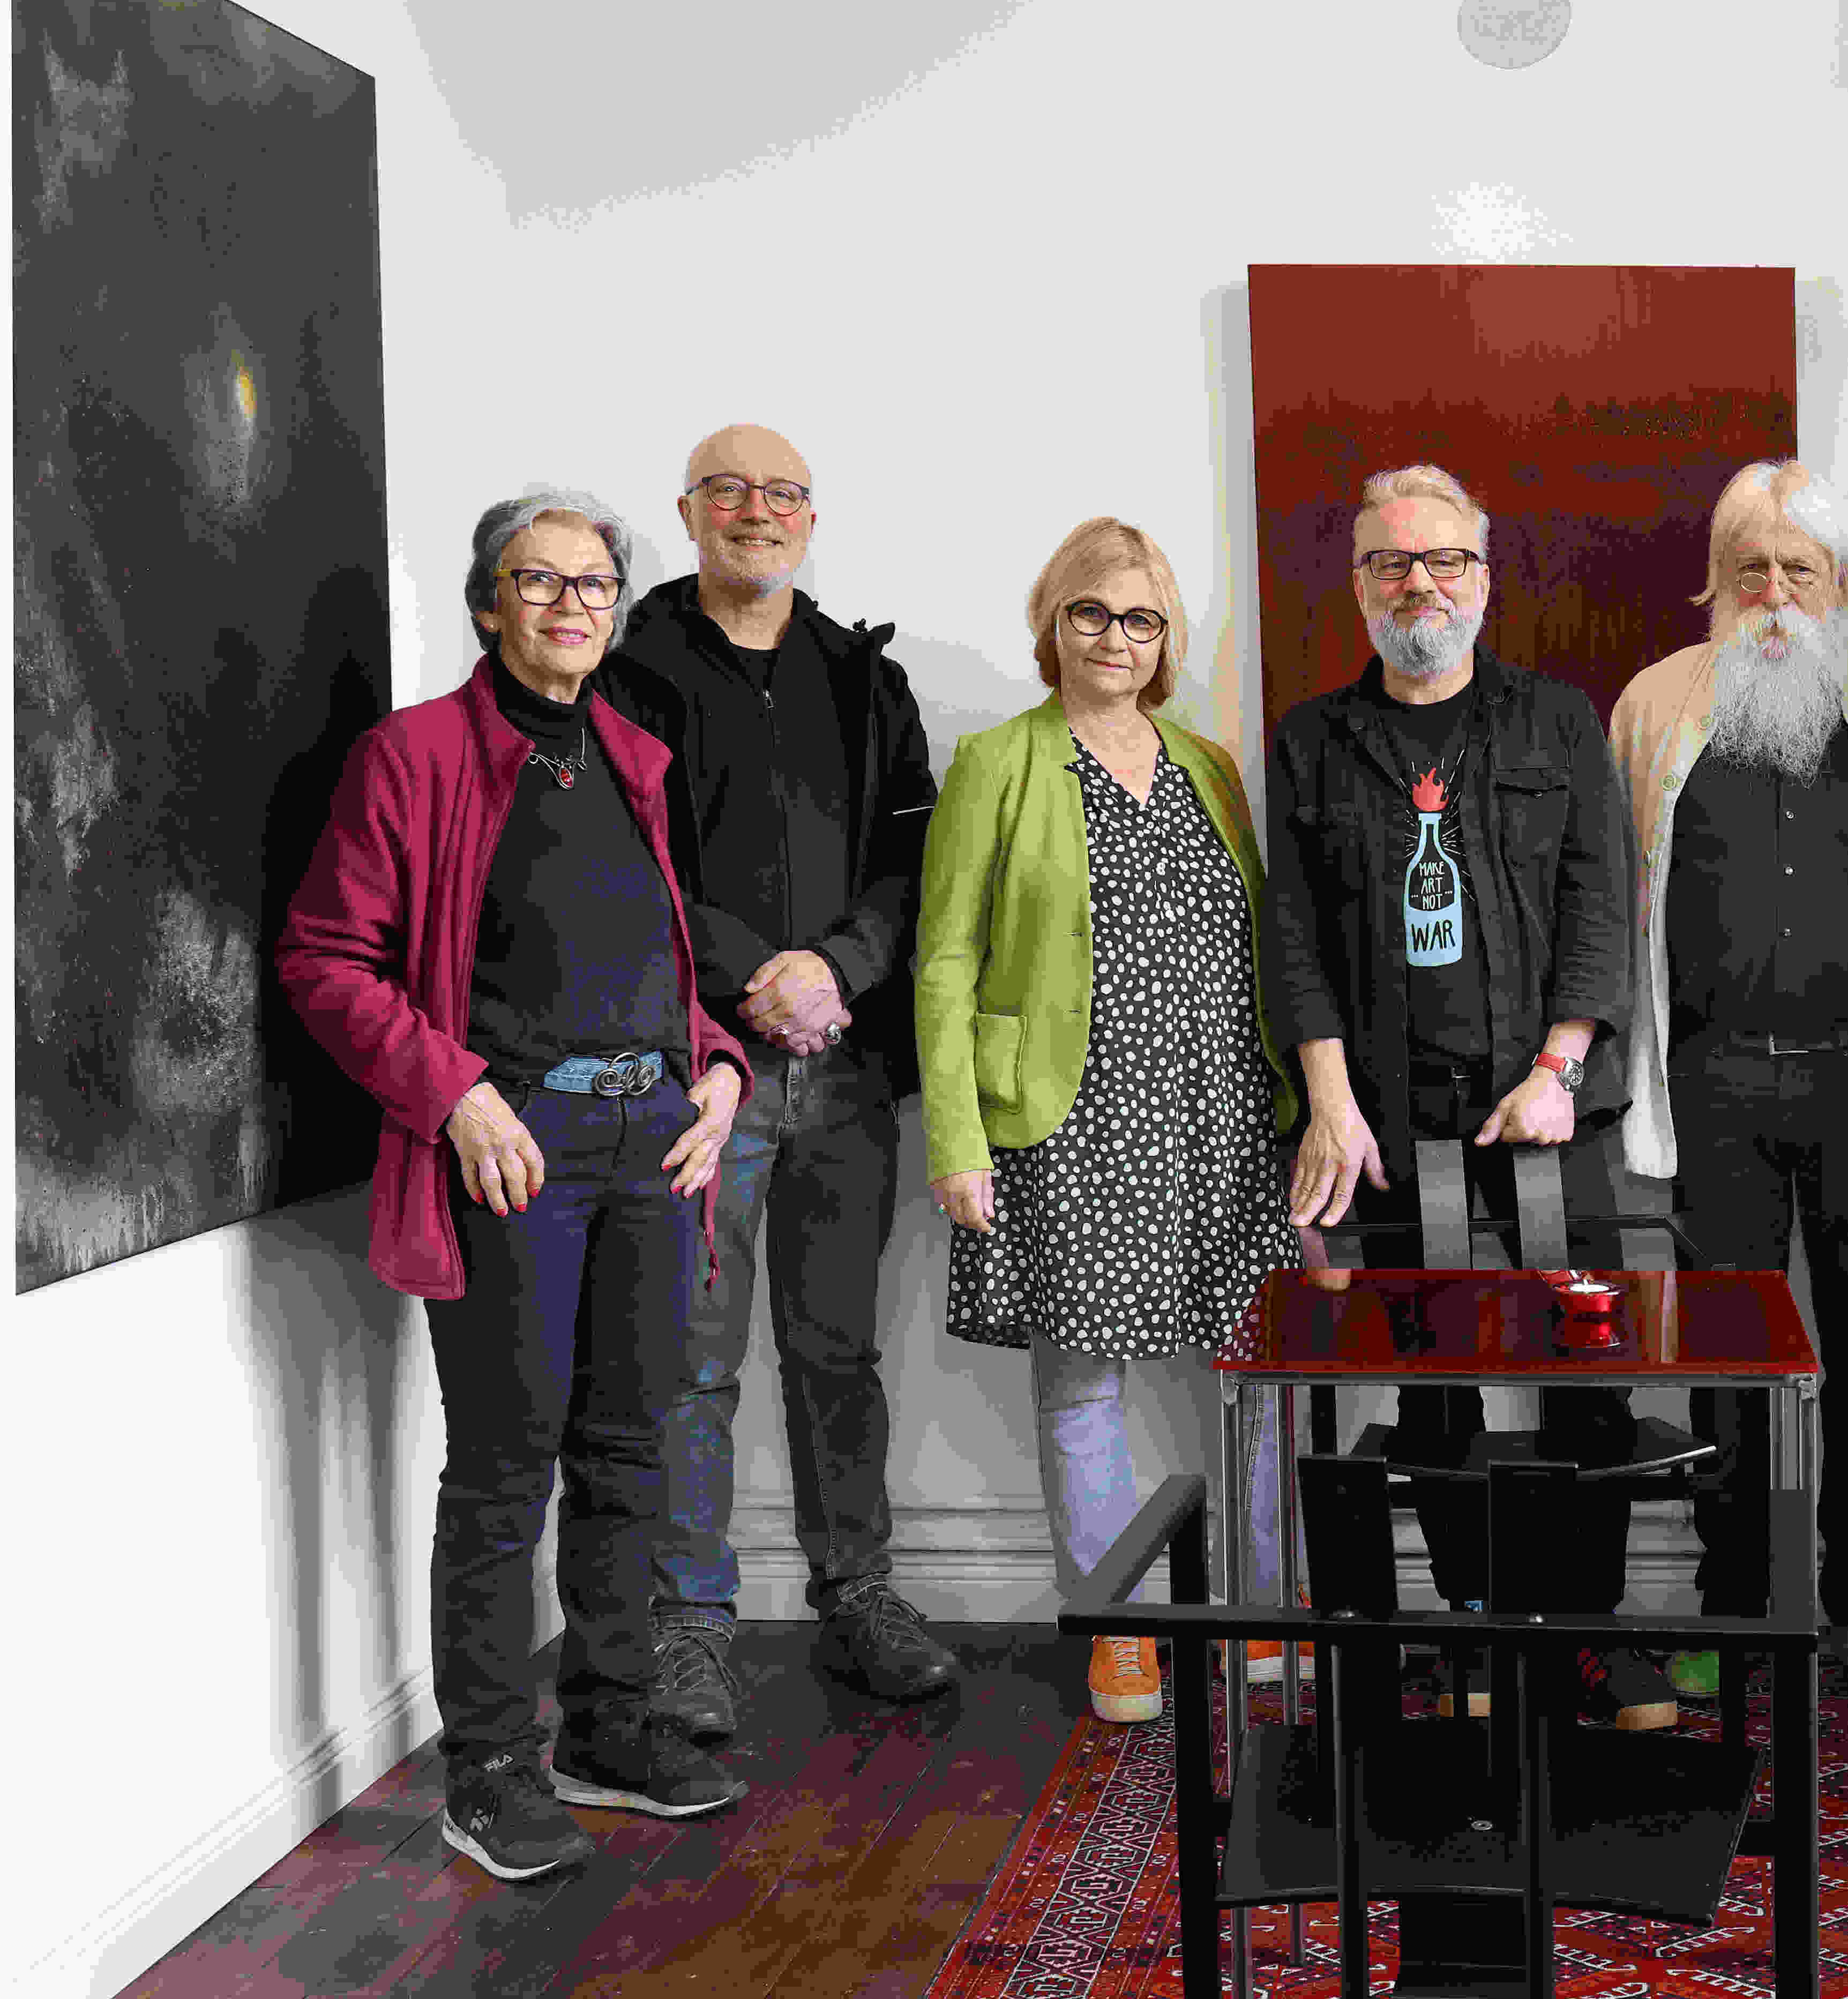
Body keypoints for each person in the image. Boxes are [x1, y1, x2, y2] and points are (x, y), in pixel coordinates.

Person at [279, 492, 750, 1881]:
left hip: (653, 1141)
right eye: (537, 582)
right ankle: (487, 1770)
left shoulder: (633, 758)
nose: (569, 606)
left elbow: (657, 964)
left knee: (632, 1449)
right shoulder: (414, 756)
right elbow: (324, 959)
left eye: (593, 585)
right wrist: (455, 1092)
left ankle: (609, 1731)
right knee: (504, 1467)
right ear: (490, 605)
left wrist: (720, 1070)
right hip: (514, 1144)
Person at [1261, 463, 1664, 1727]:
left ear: (1485, 581)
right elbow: (1293, 938)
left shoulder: (1556, 720)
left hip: (1547, 1114)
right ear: (1360, 585)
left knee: (1587, 1376)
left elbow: (1603, 903)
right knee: (1431, 1391)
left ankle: (1589, 1637)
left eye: (1444, 560)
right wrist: (1330, 1103)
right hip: (1391, 1119)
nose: (1419, 584)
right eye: (1391, 562)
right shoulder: (1311, 740)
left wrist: (1559, 1069)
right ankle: (1480, 1626)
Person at [596, 423, 956, 1743]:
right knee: (689, 1362)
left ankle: (857, 1595)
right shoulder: (627, 672)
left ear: (812, 516)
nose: (759, 511)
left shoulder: (866, 677)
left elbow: (916, 860)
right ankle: (689, 1626)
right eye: (731, 491)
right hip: (701, 1072)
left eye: (784, 493)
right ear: (689, 511)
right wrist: (759, 974)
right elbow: (620, 859)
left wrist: (838, 969)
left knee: (838, 1353)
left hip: (847, 1067)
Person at [914, 518, 1303, 1724]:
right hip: (1071, 1116)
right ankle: (1119, 1626)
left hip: (1224, 1114)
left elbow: (1256, 941)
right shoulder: (999, 762)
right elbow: (945, 959)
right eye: (1091, 612)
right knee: (1084, 1377)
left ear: (1166, 637)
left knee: (1257, 1369)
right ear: (1054, 623)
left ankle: (1264, 1603)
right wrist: (959, 1137)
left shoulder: (1209, 767)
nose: (1114, 637)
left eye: (1141, 618)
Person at [1608, 458, 1848, 1712]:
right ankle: (1735, 1609)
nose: (1772, 592)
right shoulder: (1655, 705)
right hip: (1712, 1087)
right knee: (1726, 1360)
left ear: (1839, 582)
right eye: (1749, 567)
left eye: (1797, 569)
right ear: (1717, 580)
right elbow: (1615, 900)